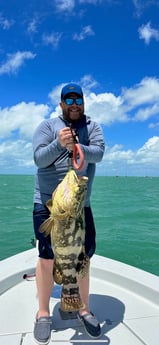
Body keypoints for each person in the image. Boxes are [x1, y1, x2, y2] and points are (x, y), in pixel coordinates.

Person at [32, 83, 105, 344]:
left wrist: (78, 147)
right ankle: (43, 313)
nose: (74, 103)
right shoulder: (47, 126)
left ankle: (83, 308)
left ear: (83, 102)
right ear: (61, 103)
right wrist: (58, 143)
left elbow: (99, 152)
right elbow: (39, 159)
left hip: (78, 206)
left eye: (78, 98)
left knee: (82, 257)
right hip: (48, 205)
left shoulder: (92, 127)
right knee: (47, 258)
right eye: (69, 99)